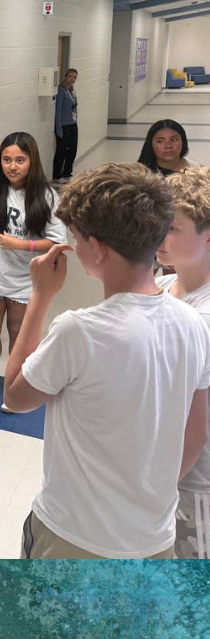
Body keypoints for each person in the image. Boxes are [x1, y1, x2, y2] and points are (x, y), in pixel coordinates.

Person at [3, 163, 210, 559]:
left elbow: (15, 396)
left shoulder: (78, 331)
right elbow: (196, 434)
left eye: (77, 237)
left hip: (73, 537)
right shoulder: (192, 322)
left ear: (96, 248)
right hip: (153, 539)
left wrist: (40, 297)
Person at [0, 132, 66, 406]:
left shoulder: (46, 195)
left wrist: (22, 245)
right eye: (7, 159)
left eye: (20, 159)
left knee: (18, 337)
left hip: (23, 281)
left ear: (32, 160)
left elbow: (58, 242)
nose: (12, 166)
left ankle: (15, 386)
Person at [155, 167, 210, 559]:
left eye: (172, 228)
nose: (158, 235)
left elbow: (197, 426)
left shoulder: (204, 318)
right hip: (158, 467)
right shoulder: (160, 285)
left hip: (191, 482)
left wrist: (160, 484)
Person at [53, 68, 79, 183]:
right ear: (65, 77)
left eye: (74, 77)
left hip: (73, 124)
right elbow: (58, 111)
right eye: (70, 76)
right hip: (64, 125)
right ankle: (57, 175)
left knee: (72, 149)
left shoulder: (72, 90)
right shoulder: (61, 90)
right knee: (61, 150)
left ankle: (67, 172)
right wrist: (58, 129)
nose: (72, 79)